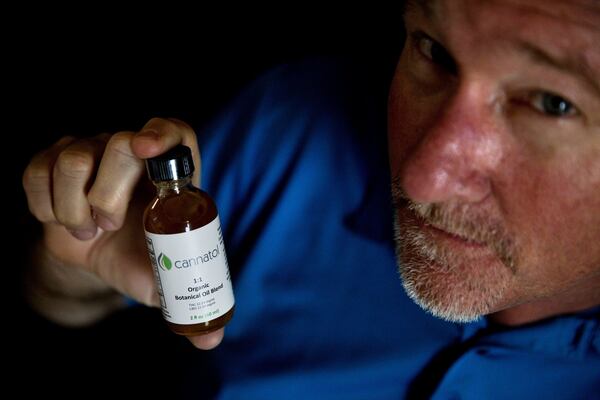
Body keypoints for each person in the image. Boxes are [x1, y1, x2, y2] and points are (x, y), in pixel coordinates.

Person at [22, 0, 600, 398]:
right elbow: (58, 301)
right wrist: (75, 265)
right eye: (434, 52)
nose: (422, 179)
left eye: (551, 103)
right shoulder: (291, 130)